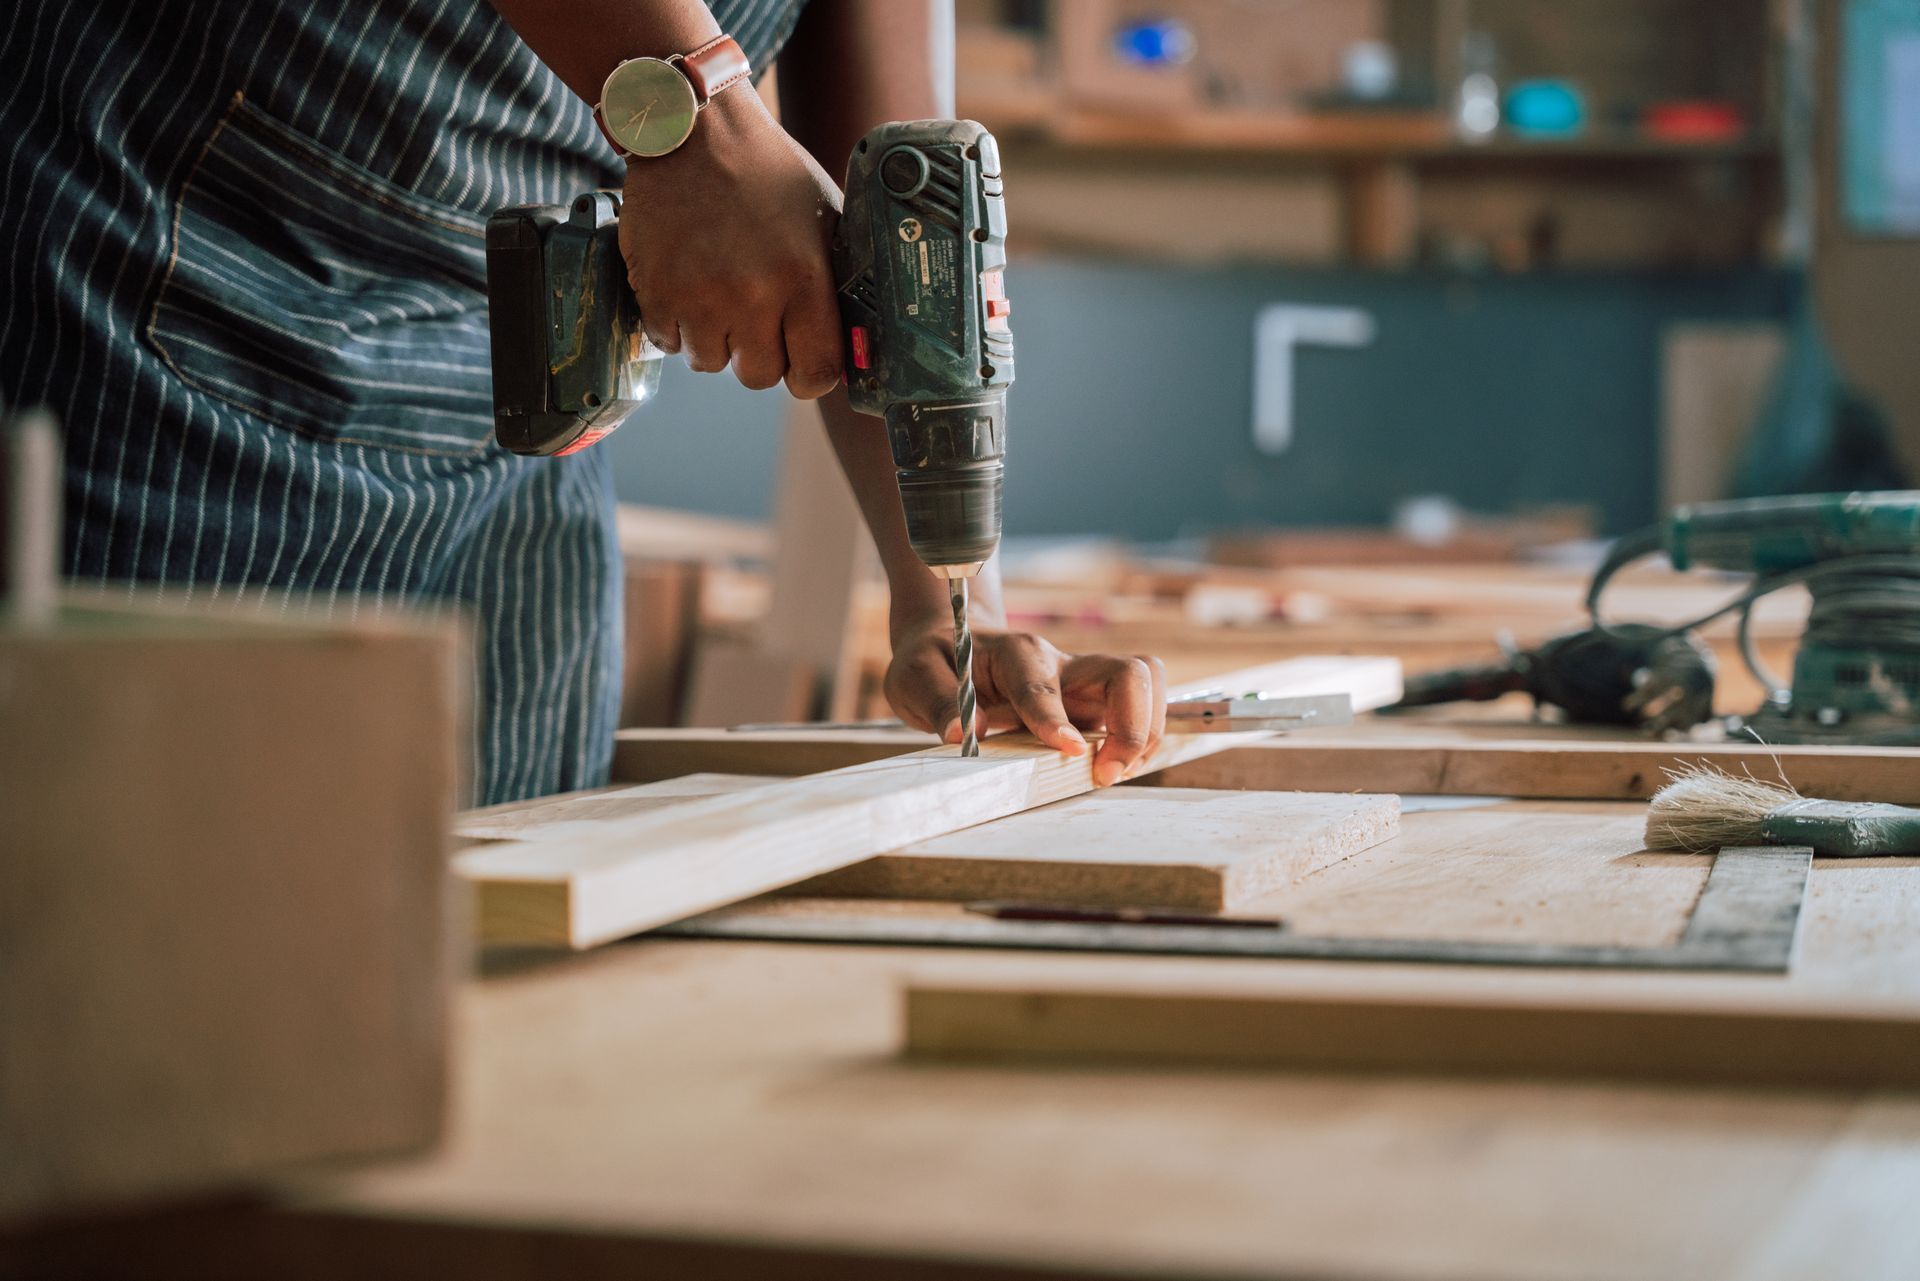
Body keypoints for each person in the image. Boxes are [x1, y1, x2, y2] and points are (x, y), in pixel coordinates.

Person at [0, 0, 1168, 804]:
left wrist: (949, 599)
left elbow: (898, 207)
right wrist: (700, 118)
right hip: (178, 317)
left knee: (502, 954)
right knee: (139, 955)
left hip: (536, 409)